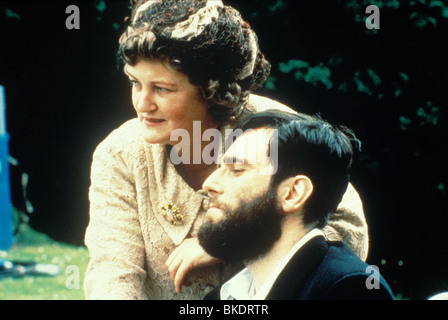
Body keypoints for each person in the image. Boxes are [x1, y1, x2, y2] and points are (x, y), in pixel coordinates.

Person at [84, 0, 368, 300]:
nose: (142, 104)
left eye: (162, 89)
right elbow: (113, 271)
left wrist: (220, 244)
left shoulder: (272, 131)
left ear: (211, 91)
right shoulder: (120, 153)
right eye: (135, 83)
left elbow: (348, 233)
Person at [200, 110, 394, 300]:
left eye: (236, 169)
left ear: (293, 193)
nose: (208, 183)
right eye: (219, 167)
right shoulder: (224, 295)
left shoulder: (350, 290)